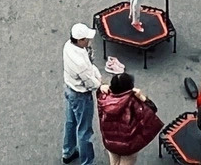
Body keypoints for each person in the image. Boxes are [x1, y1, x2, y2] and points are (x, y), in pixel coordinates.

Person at [61, 22, 105, 165]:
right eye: (86, 39)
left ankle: (68, 152)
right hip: (81, 96)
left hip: (70, 89)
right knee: (85, 131)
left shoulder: (68, 46)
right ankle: (87, 162)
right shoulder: (80, 62)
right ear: (80, 40)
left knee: (70, 122)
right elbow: (90, 82)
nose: (89, 41)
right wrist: (100, 84)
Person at [97, 71, 162, 165]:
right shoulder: (132, 101)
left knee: (114, 162)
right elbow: (151, 111)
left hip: (110, 141)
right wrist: (142, 97)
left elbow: (99, 91)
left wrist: (101, 87)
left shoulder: (103, 97)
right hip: (127, 145)